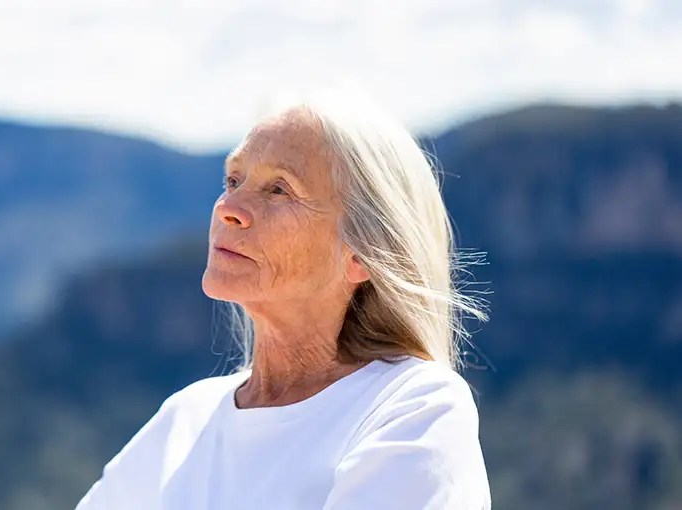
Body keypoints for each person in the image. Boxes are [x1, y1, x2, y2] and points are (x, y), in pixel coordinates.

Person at [74, 90, 492, 509]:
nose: (228, 208)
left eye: (279, 189)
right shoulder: (184, 419)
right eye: (233, 180)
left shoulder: (414, 407)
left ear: (364, 253)